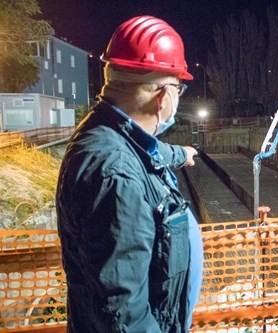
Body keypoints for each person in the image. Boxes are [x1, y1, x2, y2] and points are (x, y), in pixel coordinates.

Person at [56, 15, 203, 332]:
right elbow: (124, 315)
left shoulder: (109, 133)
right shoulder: (115, 173)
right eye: (180, 87)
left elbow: (149, 152)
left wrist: (182, 154)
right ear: (163, 97)